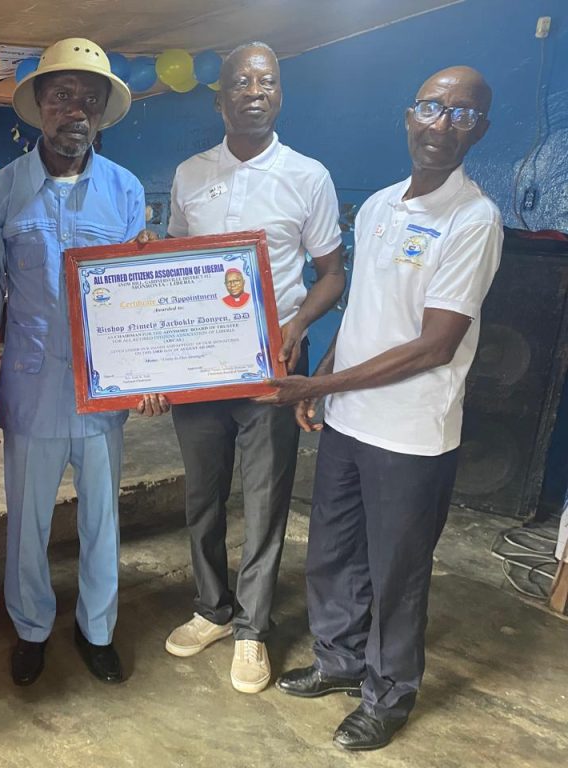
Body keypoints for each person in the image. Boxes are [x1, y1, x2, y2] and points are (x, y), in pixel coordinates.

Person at [262, 67, 501, 750]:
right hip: (349, 419)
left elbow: (435, 344)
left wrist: (315, 387)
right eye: (431, 107)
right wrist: (327, 376)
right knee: (334, 551)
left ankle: (389, 693)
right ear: (409, 116)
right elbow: (365, 307)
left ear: (479, 130)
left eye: (461, 114)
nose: (442, 124)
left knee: (397, 571)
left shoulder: (474, 219)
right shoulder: (377, 206)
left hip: (412, 432)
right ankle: (339, 661)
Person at [147, 41, 346, 695]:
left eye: (267, 82)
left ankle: (252, 628)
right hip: (200, 366)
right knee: (202, 495)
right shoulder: (189, 174)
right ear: (221, 97)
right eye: (241, 82)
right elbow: (175, 263)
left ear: (279, 95)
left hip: (273, 367)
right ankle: (212, 608)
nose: (254, 92)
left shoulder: (308, 176)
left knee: (264, 498)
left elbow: (331, 274)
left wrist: (297, 326)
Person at [0, 38, 144, 687]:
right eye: (63, 95)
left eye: (89, 99)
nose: (76, 109)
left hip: (105, 391)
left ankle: (97, 629)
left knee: (103, 518)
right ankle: (31, 627)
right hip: (31, 389)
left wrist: (148, 375)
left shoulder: (125, 191)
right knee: (28, 522)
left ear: (101, 112)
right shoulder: (2, 192)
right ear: (40, 104)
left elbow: (138, 294)